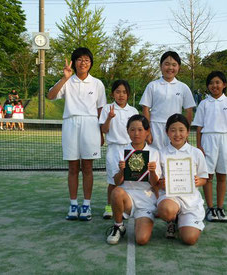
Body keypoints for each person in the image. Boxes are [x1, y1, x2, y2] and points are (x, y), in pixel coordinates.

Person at [46, 47, 106, 221]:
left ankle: (86, 205)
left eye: (86, 59)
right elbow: (50, 96)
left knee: (87, 167)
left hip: (91, 125)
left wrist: (101, 132)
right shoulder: (67, 81)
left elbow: (100, 108)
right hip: (71, 124)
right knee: (73, 167)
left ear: (90, 63)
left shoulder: (97, 84)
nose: (83, 62)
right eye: (79, 59)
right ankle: (73, 204)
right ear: (74, 62)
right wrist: (64, 78)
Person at [192, 71, 227, 223]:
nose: (214, 85)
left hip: (225, 141)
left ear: (224, 85)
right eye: (211, 83)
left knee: (222, 176)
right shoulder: (204, 103)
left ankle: (220, 208)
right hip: (208, 141)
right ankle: (210, 208)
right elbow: (199, 127)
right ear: (208, 86)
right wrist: (199, 146)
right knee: (208, 177)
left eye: (217, 82)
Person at [106, 115, 161, 245]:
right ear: (127, 131)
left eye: (140, 130)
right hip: (127, 196)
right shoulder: (120, 152)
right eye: (132, 129)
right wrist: (122, 171)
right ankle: (118, 226)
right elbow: (116, 182)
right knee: (116, 192)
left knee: (141, 239)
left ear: (147, 132)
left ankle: (142, 220)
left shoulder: (154, 153)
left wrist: (152, 171)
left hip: (146, 199)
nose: (136, 133)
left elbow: (155, 184)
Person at [156, 114, 208, 245]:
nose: (177, 134)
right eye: (173, 130)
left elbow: (204, 178)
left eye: (181, 130)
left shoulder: (196, 153)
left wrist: (198, 181)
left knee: (189, 239)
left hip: (191, 201)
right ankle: (171, 221)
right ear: (167, 132)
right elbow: (156, 182)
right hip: (170, 198)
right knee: (167, 210)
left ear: (187, 132)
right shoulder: (161, 153)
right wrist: (161, 183)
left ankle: (182, 221)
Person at [139, 51, 196, 150]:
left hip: (175, 130)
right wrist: (148, 132)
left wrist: (185, 132)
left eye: (174, 65)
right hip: (155, 129)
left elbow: (189, 111)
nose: (170, 68)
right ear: (161, 66)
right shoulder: (152, 85)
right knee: (156, 159)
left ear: (179, 67)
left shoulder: (183, 87)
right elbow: (145, 109)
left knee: (173, 159)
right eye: (167, 64)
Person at [99, 80, 139, 219]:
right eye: (118, 92)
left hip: (130, 149)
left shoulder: (133, 111)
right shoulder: (107, 109)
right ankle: (109, 207)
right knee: (113, 181)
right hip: (114, 150)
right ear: (112, 94)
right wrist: (109, 118)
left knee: (131, 181)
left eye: (124, 92)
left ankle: (129, 206)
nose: (121, 95)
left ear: (128, 94)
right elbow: (104, 129)